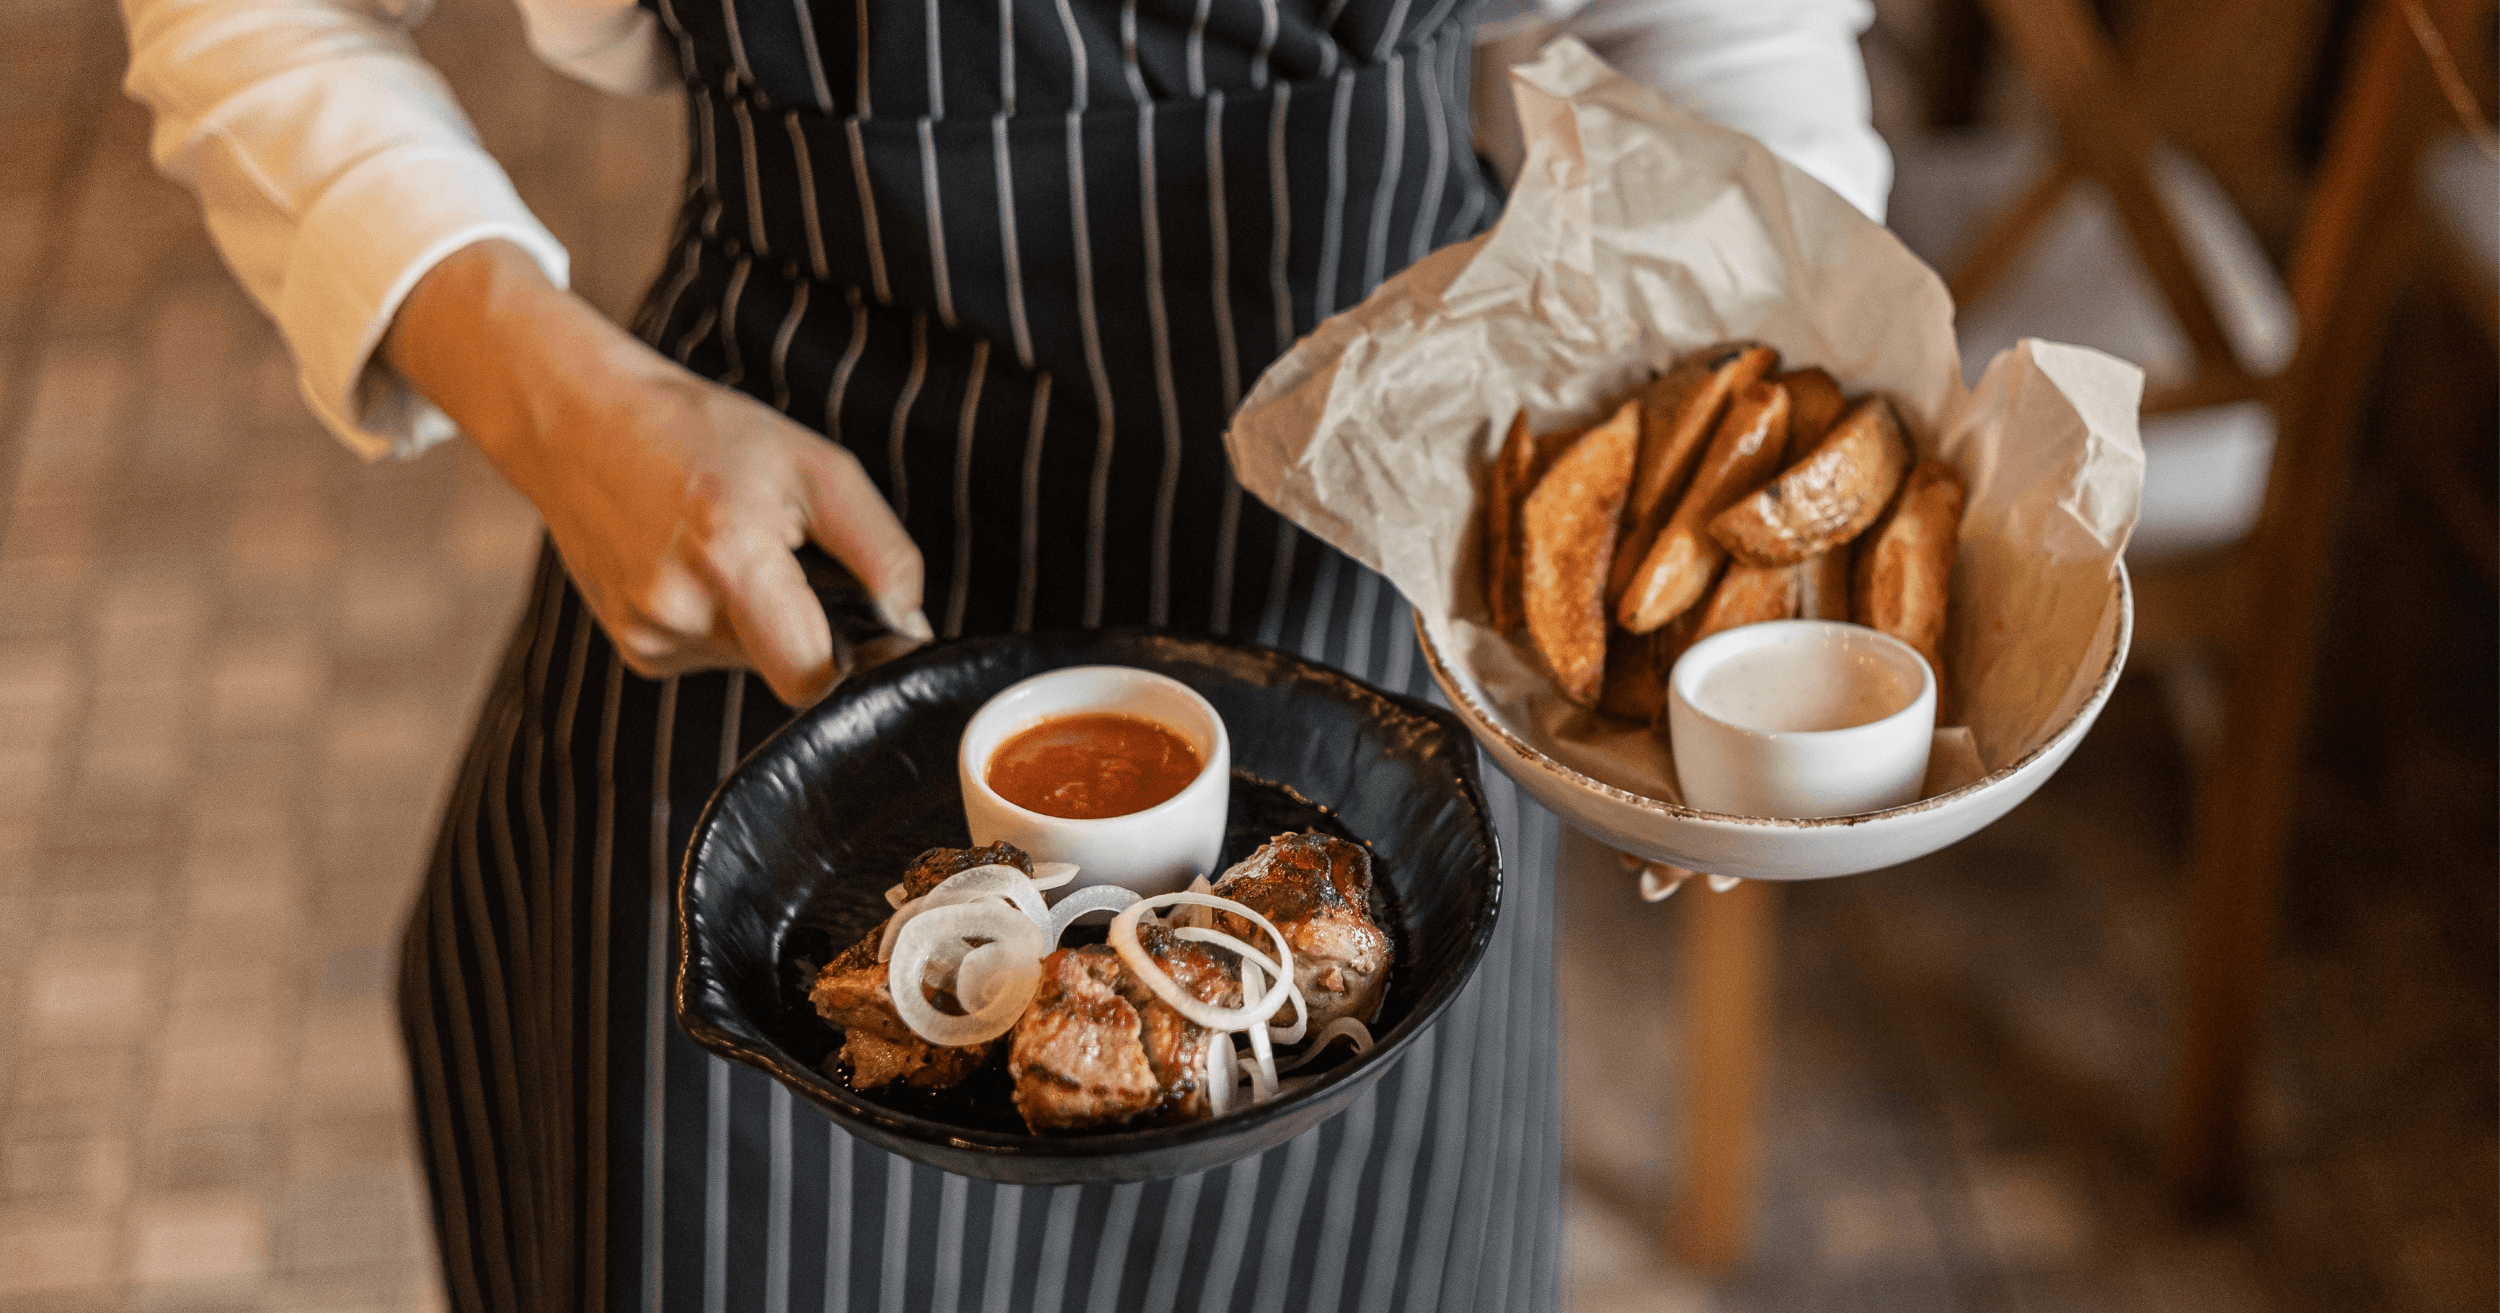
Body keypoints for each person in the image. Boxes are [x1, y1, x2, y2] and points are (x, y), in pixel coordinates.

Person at [121, 0, 1889, 1306]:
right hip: (766, 634)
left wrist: (1727, 506)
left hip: (1365, 695)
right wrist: (562, 401)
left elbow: (1716, 33)